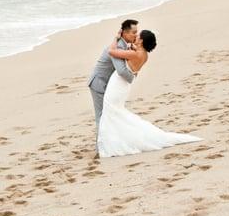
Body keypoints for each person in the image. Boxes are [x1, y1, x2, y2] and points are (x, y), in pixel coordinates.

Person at [97, 29, 203, 158]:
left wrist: (116, 38)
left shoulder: (135, 54)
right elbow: (133, 50)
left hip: (118, 85)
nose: (135, 36)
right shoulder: (143, 54)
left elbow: (112, 51)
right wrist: (131, 44)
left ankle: (115, 143)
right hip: (122, 86)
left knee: (112, 112)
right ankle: (115, 140)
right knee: (115, 112)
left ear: (141, 40)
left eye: (138, 35)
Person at [86, 19, 139, 159]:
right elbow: (121, 71)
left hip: (108, 85)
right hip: (98, 84)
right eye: (134, 32)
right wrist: (132, 77)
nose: (136, 35)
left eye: (137, 32)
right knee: (101, 116)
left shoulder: (125, 45)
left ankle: (110, 144)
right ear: (124, 33)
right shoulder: (118, 48)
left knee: (110, 115)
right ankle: (100, 150)